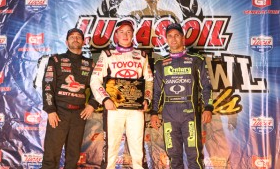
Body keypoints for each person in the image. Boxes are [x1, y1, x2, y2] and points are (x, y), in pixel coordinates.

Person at [90, 20, 153, 169]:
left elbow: (149, 81)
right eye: (122, 32)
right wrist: (104, 99)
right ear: (116, 35)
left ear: (133, 35)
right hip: (114, 108)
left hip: (135, 109)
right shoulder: (107, 54)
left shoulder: (142, 55)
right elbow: (95, 79)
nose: (125, 35)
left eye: (129, 32)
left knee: (138, 149)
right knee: (111, 147)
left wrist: (147, 99)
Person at [150, 23, 213, 169]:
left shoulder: (196, 59)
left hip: (189, 114)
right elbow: (157, 91)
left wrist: (208, 107)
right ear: (166, 39)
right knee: (173, 156)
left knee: (194, 156)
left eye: (177, 35)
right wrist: (154, 113)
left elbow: (206, 86)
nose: (173, 39)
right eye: (170, 36)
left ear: (183, 38)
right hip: (169, 116)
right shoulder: (160, 63)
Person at [41, 28, 99, 169]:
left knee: (73, 157)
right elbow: (48, 85)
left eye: (78, 36)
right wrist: (50, 110)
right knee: (51, 157)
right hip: (59, 113)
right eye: (72, 37)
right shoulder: (56, 60)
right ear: (67, 42)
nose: (75, 38)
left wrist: (92, 104)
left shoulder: (90, 64)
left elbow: (98, 86)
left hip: (79, 115)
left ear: (83, 41)